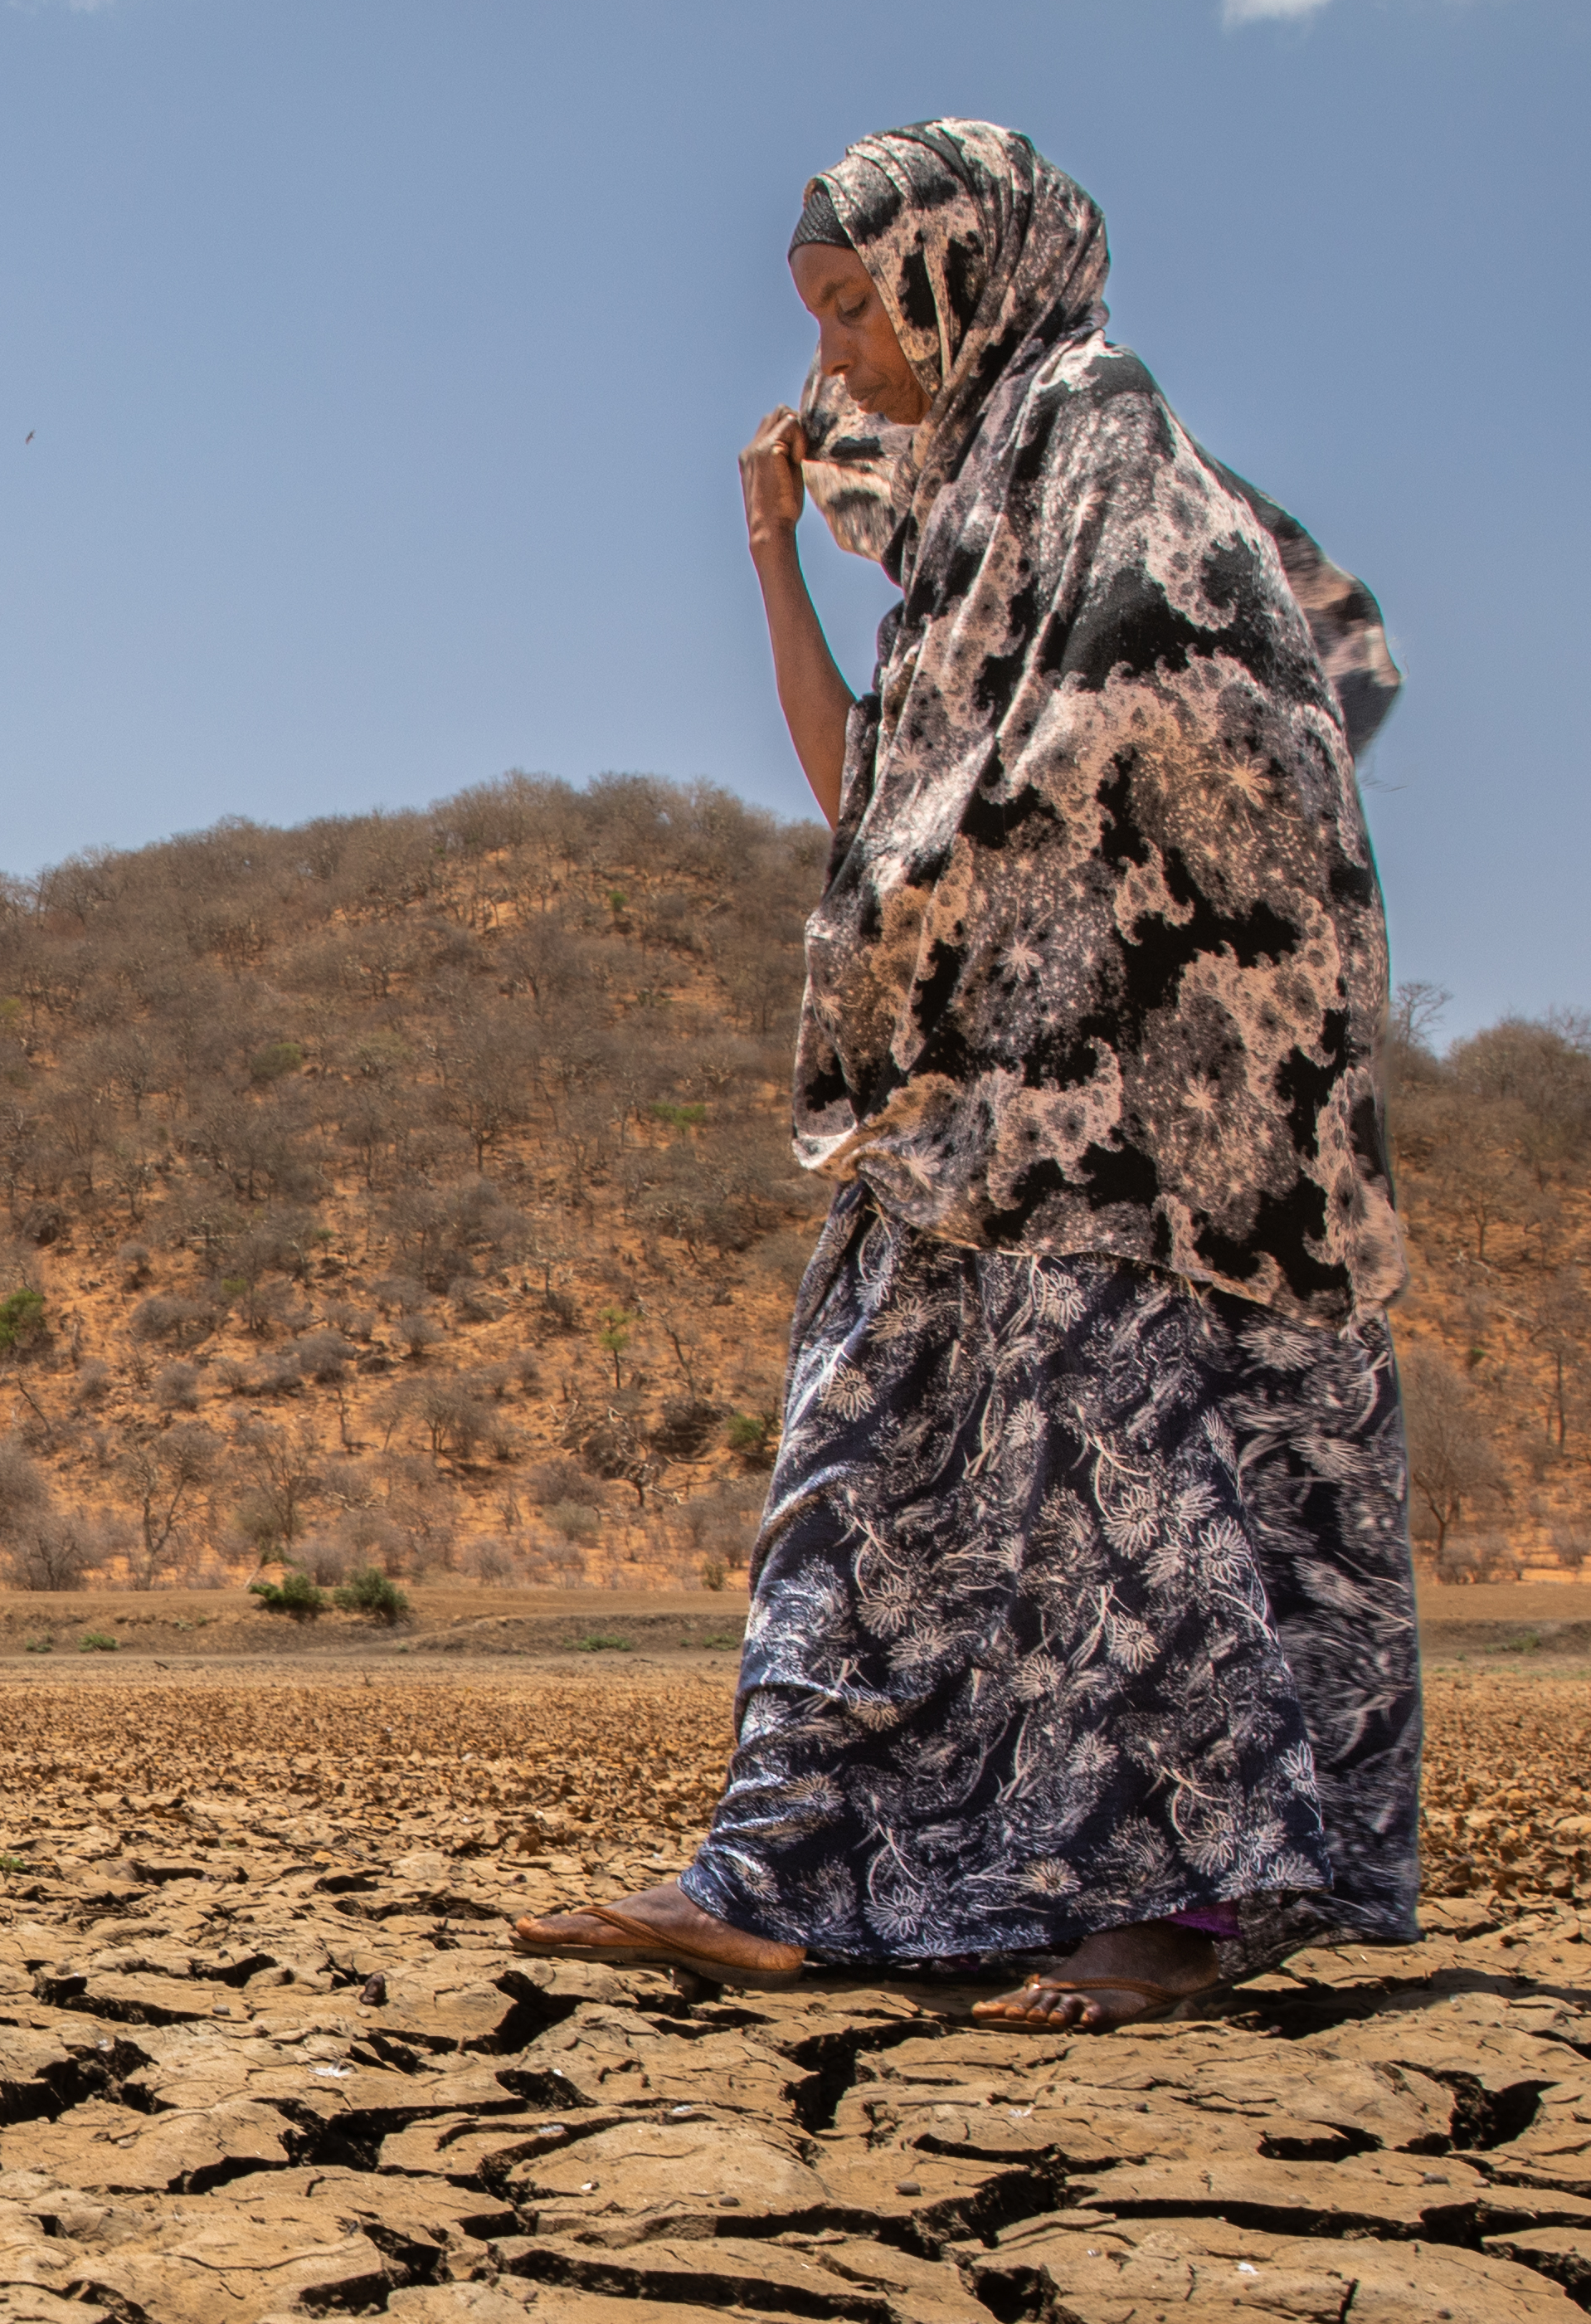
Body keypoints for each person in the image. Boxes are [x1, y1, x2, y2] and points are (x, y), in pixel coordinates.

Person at [517, 119, 1420, 2033]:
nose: (836, 358)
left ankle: (1177, 1912)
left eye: (856, 306)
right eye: (821, 316)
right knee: (863, 1472)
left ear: (963, 269)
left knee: (1133, 1494)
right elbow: (871, 798)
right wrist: (777, 563)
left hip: (1135, 1112)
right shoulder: (957, 524)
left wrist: (963, 847)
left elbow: (1179, 704)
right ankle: (780, 1873)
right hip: (966, 1102)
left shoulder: (1101, 434)